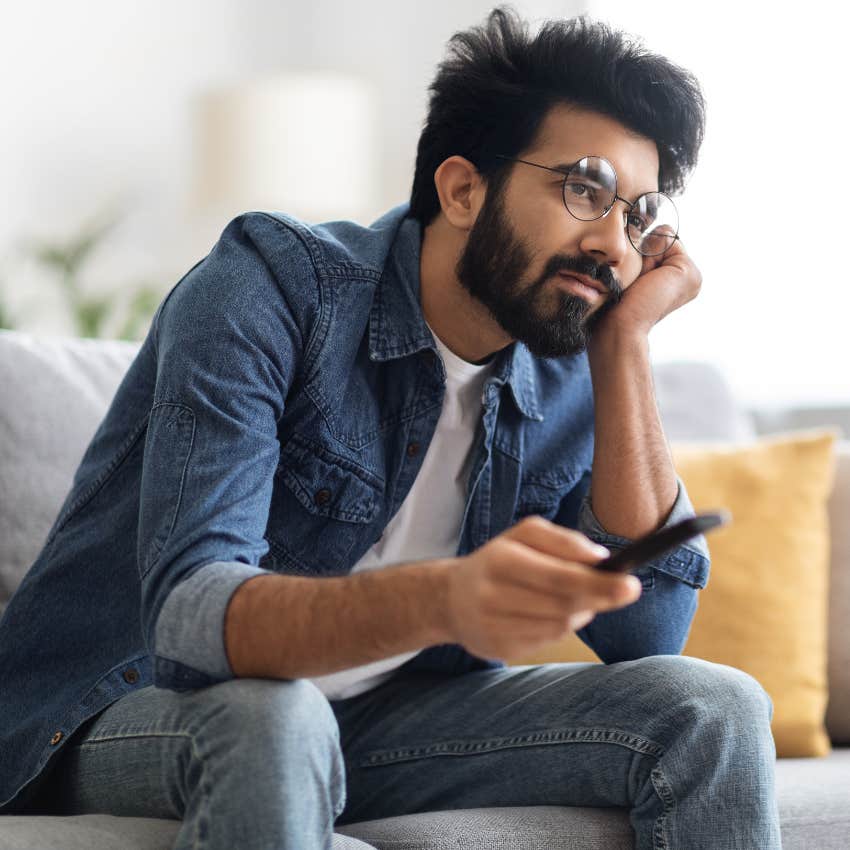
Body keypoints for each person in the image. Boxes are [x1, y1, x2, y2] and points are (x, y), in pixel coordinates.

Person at [0, 7, 781, 849]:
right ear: (461, 188)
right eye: (585, 188)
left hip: (380, 724)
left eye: (637, 216)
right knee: (275, 715)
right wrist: (445, 600)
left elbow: (649, 635)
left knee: (714, 707)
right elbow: (191, 621)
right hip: (122, 709)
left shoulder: (568, 353)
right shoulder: (272, 287)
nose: (614, 247)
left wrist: (623, 347)